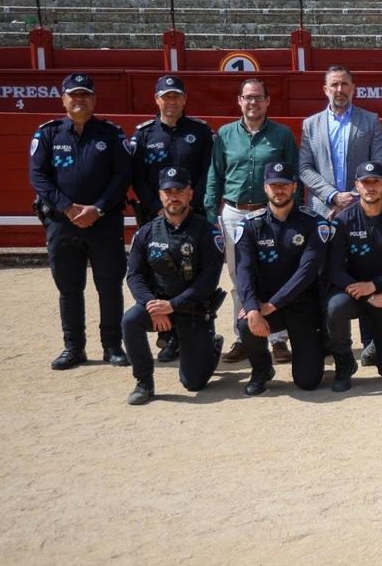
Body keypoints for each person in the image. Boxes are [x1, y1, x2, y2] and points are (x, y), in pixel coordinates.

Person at [28, 73, 131, 369]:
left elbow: (122, 175)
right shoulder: (48, 134)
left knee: (109, 286)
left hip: (104, 223)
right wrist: (67, 208)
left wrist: (97, 208)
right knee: (69, 288)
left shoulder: (111, 134)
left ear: (94, 100)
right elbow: (38, 176)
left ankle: (112, 346)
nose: (80, 100)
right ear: (63, 99)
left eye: (85, 95)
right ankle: (73, 348)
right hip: (62, 224)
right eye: (74, 95)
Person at [235, 162, 353, 395]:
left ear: (294, 187)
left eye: (284, 185)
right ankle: (261, 369)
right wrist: (251, 307)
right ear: (265, 188)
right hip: (266, 304)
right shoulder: (250, 225)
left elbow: (306, 272)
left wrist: (272, 304)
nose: (279, 190)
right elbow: (243, 270)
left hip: (303, 306)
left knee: (308, 381)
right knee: (246, 323)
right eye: (274, 185)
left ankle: (321, 347)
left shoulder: (314, 223)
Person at [205, 78, 299, 365]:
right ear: (239, 101)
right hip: (234, 213)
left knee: (276, 274)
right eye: (248, 97)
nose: (253, 102)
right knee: (239, 277)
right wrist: (210, 213)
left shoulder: (282, 135)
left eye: (258, 97)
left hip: (270, 212)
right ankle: (243, 336)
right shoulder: (225, 134)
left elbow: (293, 175)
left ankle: (278, 338)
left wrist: (292, 213)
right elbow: (215, 175)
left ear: (267, 101)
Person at [121, 168, 225, 405]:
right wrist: (152, 305)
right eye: (168, 192)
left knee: (193, 383)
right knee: (130, 320)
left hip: (193, 309)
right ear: (160, 195)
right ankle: (144, 383)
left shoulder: (207, 232)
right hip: (158, 305)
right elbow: (134, 276)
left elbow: (208, 282)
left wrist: (172, 305)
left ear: (190, 194)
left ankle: (211, 345)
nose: (173, 197)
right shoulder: (147, 232)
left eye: (179, 191)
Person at [325, 162, 382, 385]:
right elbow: (334, 269)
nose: (371, 187)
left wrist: (375, 286)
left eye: (376, 181)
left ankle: (379, 345)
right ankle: (344, 361)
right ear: (357, 186)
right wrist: (368, 294)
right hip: (354, 293)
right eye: (365, 182)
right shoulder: (343, 220)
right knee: (335, 306)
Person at [299, 65, 382, 221]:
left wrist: (352, 197)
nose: (340, 89)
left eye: (344, 84)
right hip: (322, 210)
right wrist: (333, 196)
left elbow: (380, 164)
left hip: (362, 207)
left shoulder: (371, 121)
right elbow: (305, 168)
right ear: (326, 90)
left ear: (352, 88)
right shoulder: (310, 124)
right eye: (334, 84)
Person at [128, 75, 213, 226]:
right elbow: (138, 178)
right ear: (157, 99)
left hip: (194, 214)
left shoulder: (201, 131)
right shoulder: (143, 134)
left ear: (184, 99)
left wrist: (191, 205)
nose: (172, 101)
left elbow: (209, 172)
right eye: (167, 97)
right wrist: (158, 208)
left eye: (176, 96)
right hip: (155, 216)